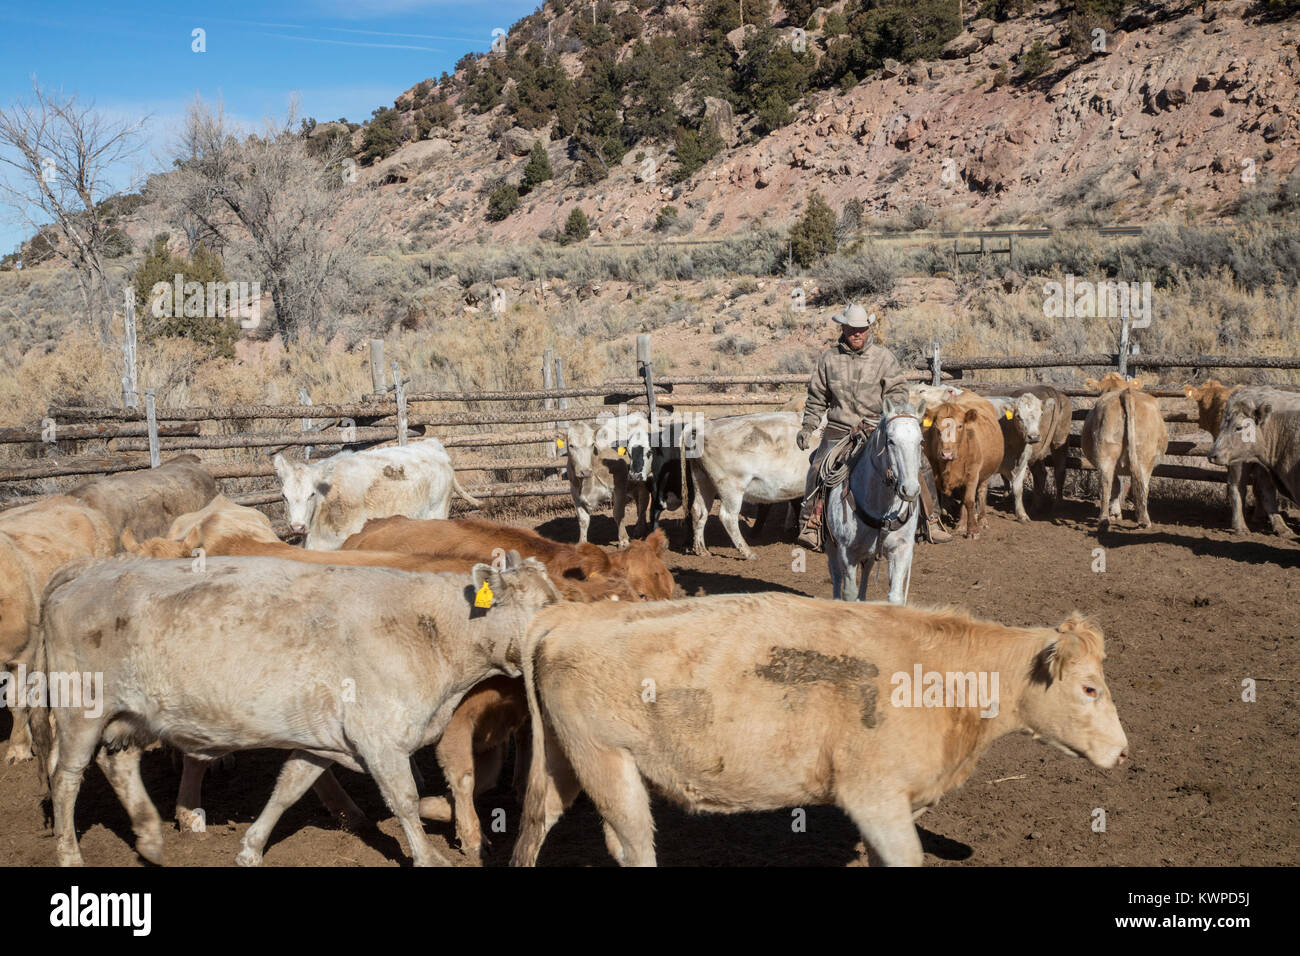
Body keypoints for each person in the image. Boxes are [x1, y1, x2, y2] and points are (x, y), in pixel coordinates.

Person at [795, 303, 952, 550]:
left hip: (875, 427)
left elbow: (898, 390)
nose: (857, 333)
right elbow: (817, 397)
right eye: (852, 329)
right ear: (843, 328)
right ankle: (811, 524)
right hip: (840, 427)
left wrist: (894, 416)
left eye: (861, 329)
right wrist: (808, 427)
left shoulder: (883, 358)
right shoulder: (829, 359)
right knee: (818, 466)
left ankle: (930, 520)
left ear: (868, 329)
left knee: (919, 463)